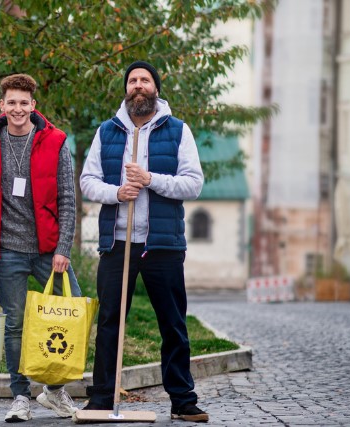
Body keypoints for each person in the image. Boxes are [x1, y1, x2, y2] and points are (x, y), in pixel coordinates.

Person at [79, 61, 208, 422]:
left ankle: (183, 399)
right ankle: (102, 398)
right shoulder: (108, 131)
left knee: (172, 323)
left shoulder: (178, 131)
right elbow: (87, 182)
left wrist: (150, 178)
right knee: (109, 322)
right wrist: (119, 192)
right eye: (132, 80)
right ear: (126, 89)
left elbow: (193, 184)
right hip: (118, 242)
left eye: (145, 80)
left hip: (163, 244)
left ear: (156, 88)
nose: (138, 85)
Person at [0, 73, 81, 422]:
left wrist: (63, 248)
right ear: (2, 105)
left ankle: (53, 391)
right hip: (7, 250)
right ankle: (20, 396)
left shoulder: (55, 142)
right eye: (12, 102)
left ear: (33, 106)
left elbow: (67, 199)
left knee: (71, 311)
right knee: (15, 325)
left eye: (24, 103)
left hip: (49, 249)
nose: (18, 109)